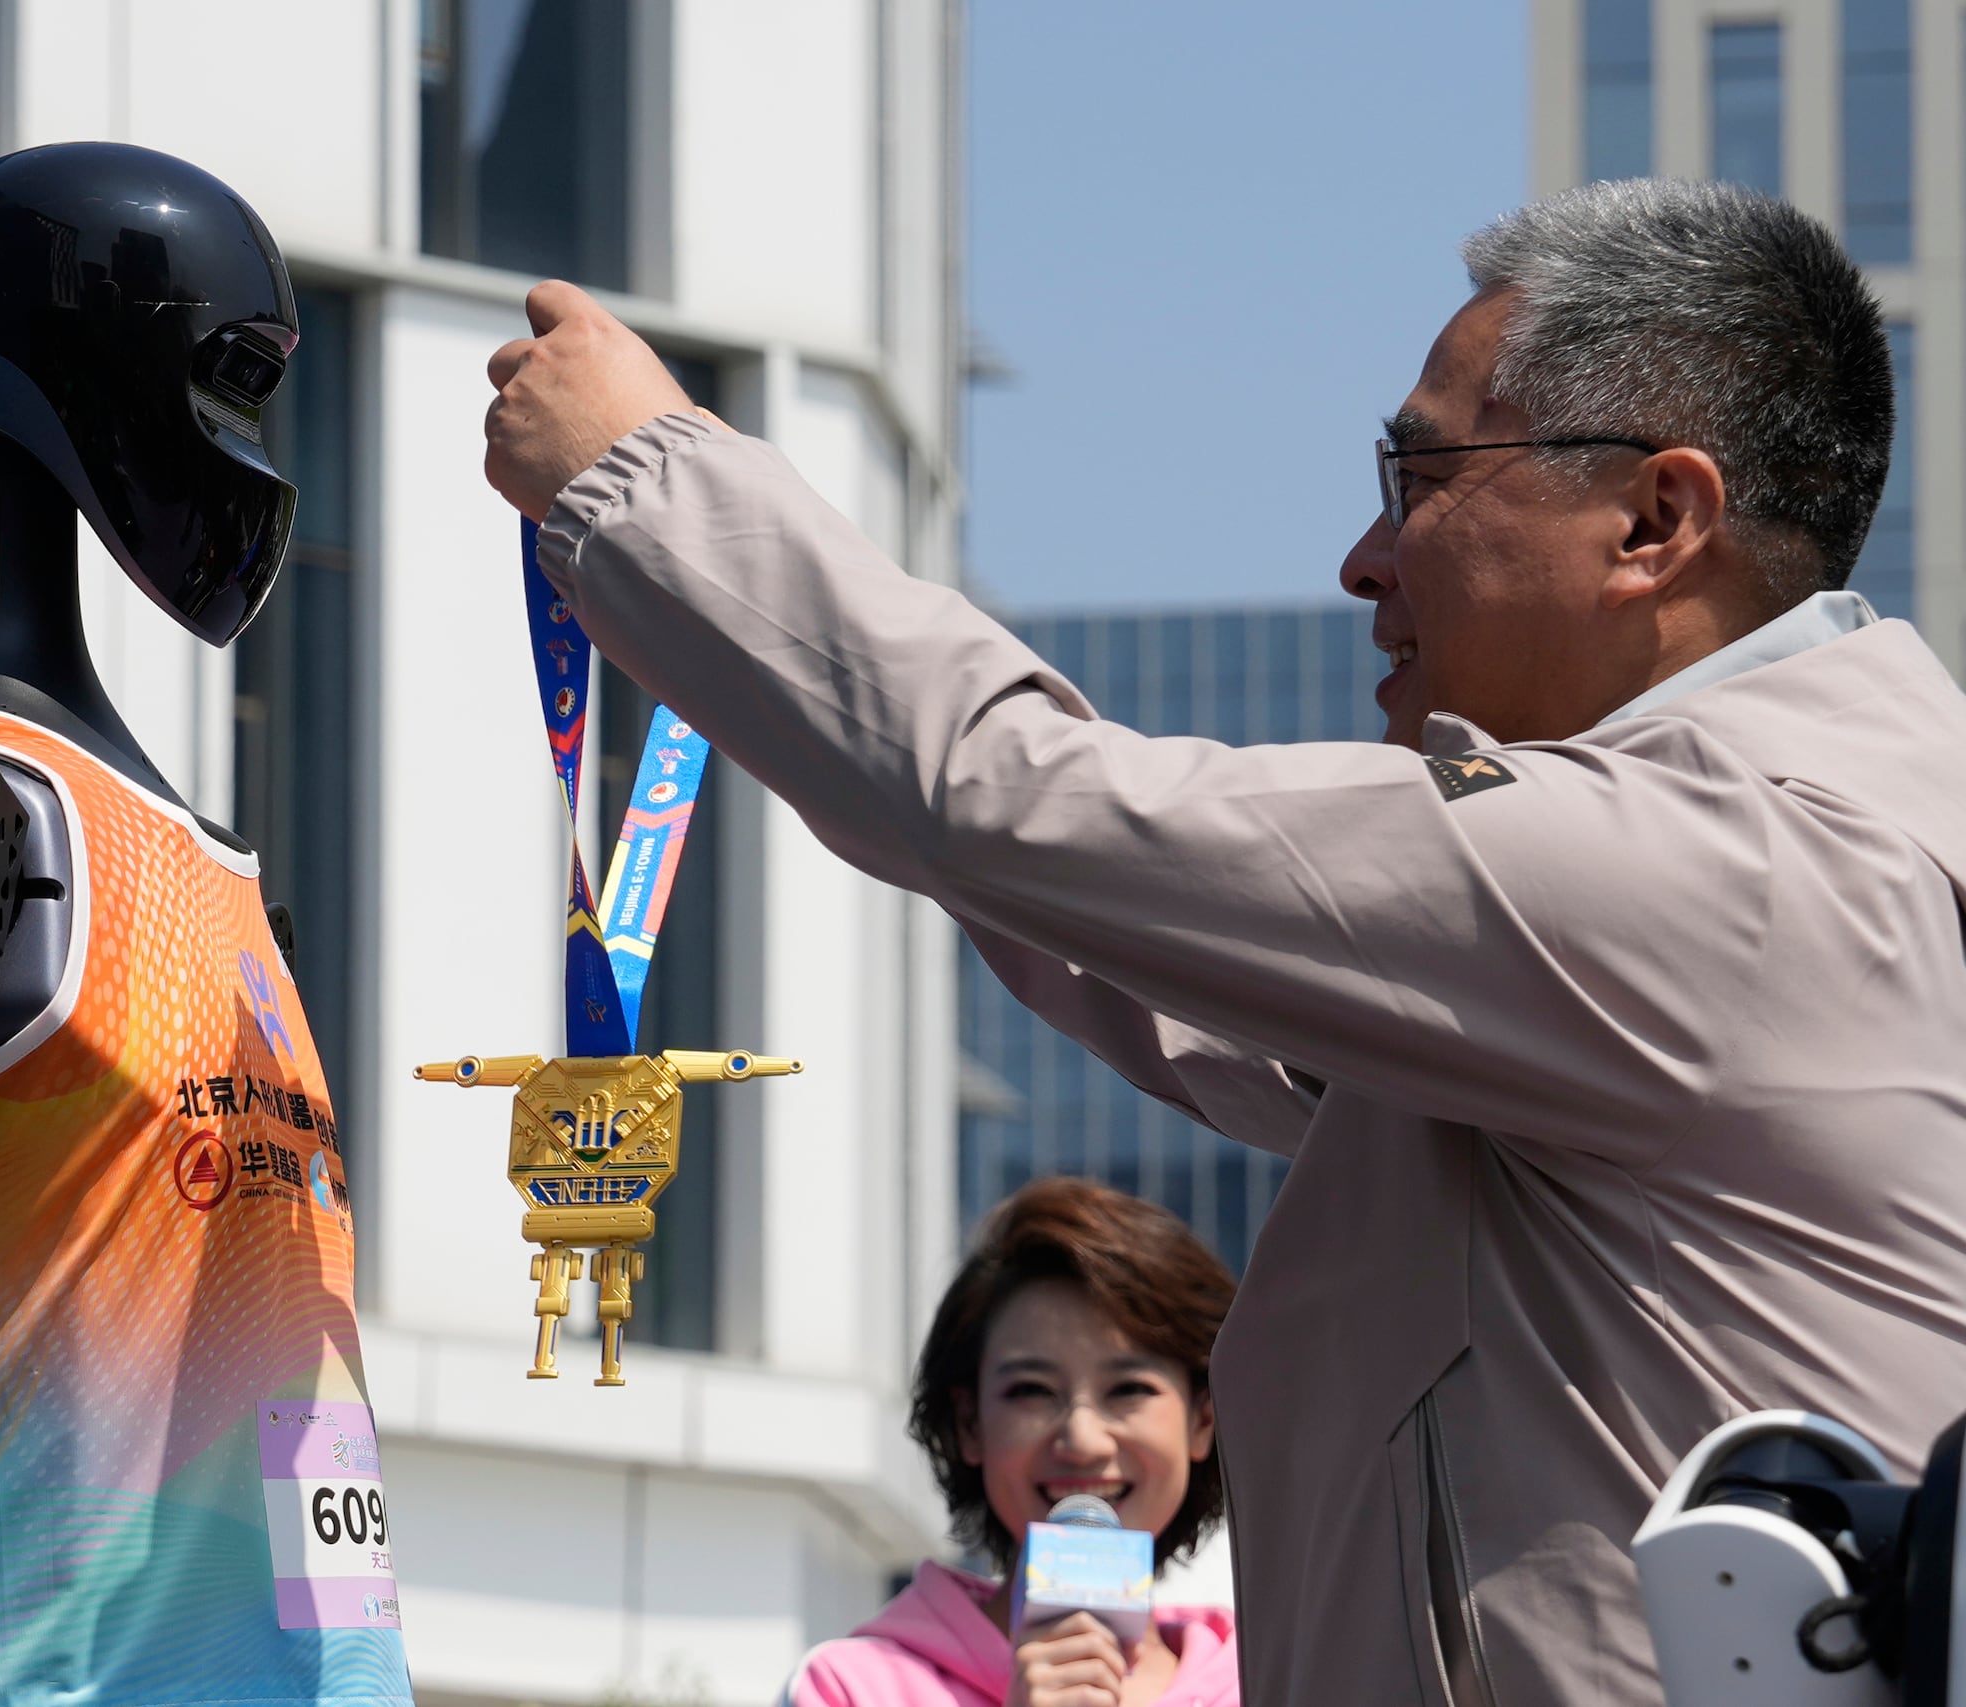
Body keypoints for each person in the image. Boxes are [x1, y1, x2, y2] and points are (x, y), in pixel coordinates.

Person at [482, 176, 1966, 1707]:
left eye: (1418, 474)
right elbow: (1139, 930)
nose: (1364, 558)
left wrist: (642, 478)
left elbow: (1037, 808)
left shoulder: (1730, 870)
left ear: (1656, 519)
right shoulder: (1803, 853)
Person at [787, 1178, 1238, 1707]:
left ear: (1202, 1419)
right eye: (1032, 1391)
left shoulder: (1275, 1677)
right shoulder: (849, 1688)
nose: (1083, 1440)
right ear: (970, 1423)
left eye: (1129, 1389)